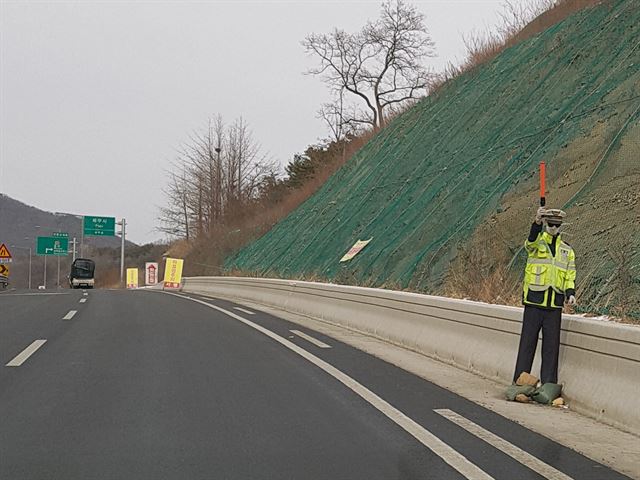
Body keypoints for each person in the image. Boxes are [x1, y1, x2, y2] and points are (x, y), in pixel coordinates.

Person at [513, 207, 576, 385]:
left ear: (560, 226)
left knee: (551, 348)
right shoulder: (537, 243)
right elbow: (530, 242)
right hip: (534, 301)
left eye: (556, 225)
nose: (553, 228)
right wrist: (536, 223)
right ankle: (519, 382)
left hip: (554, 305)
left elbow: (570, 274)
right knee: (527, 344)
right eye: (550, 224)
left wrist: (570, 292)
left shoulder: (567, 250)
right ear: (545, 224)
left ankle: (548, 385)